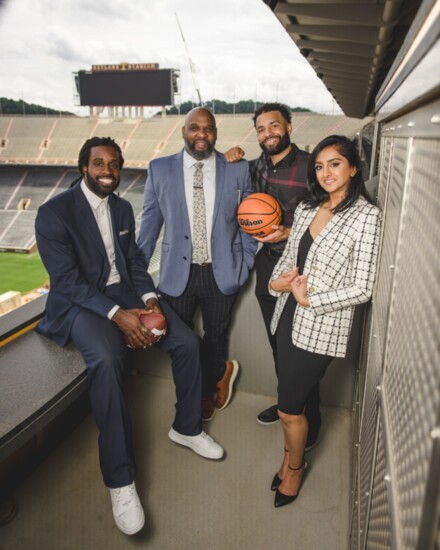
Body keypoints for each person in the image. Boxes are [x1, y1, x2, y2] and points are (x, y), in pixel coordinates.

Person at [35, 137, 224, 536]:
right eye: (99, 163)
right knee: (106, 359)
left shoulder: (122, 207)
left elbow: (135, 261)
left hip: (123, 293)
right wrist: (119, 316)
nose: (108, 171)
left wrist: (150, 300)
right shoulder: (53, 212)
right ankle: (120, 480)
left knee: (188, 342)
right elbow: (67, 282)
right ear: (83, 166)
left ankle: (186, 427)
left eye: (114, 164)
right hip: (80, 303)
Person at [268, 135, 381, 508]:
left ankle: (295, 468)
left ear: (353, 168)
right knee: (292, 398)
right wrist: (276, 283)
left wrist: (310, 298)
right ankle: (289, 457)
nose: (326, 172)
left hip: (319, 324)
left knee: (288, 409)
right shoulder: (305, 208)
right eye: (319, 166)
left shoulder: (366, 217)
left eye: (334, 164)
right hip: (287, 317)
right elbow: (290, 260)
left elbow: (362, 287)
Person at [138, 107, 257, 421]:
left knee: (216, 336)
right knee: (181, 342)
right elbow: (149, 225)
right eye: (194, 127)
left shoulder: (238, 169)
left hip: (223, 273)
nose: (201, 134)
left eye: (208, 128)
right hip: (178, 275)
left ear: (215, 132)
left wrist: (244, 263)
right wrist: (137, 276)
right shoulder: (160, 169)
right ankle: (188, 397)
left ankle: (209, 385)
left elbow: (250, 221)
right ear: (183, 132)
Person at [225, 103, 320, 448]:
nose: (268, 134)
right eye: (261, 129)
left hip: (303, 269)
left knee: (302, 349)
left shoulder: (312, 167)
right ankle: (288, 404)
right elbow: (227, 177)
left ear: (290, 128)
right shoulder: (255, 167)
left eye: (274, 126)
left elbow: (330, 218)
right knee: (278, 344)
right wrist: (229, 156)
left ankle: (312, 420)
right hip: (269, 265)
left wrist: (290, 232)